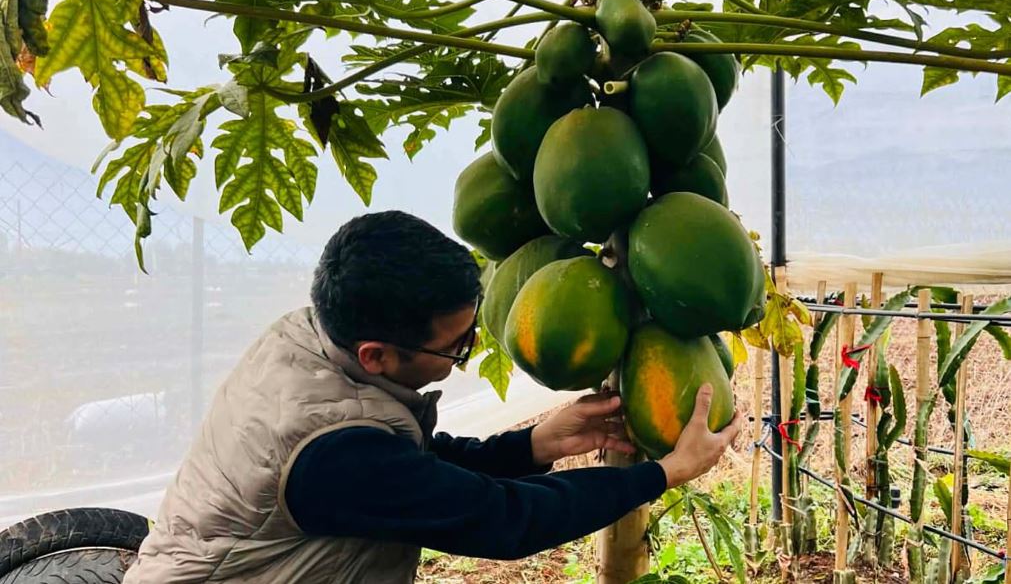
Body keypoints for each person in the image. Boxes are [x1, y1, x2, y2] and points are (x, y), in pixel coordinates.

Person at [124, 210, 743, 584]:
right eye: (455, 349)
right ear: (377, 354)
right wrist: (663, 474)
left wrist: (531, 445)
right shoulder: (330, 457)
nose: (462, 357)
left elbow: (408, 464)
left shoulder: (308, 339)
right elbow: (500, 520)